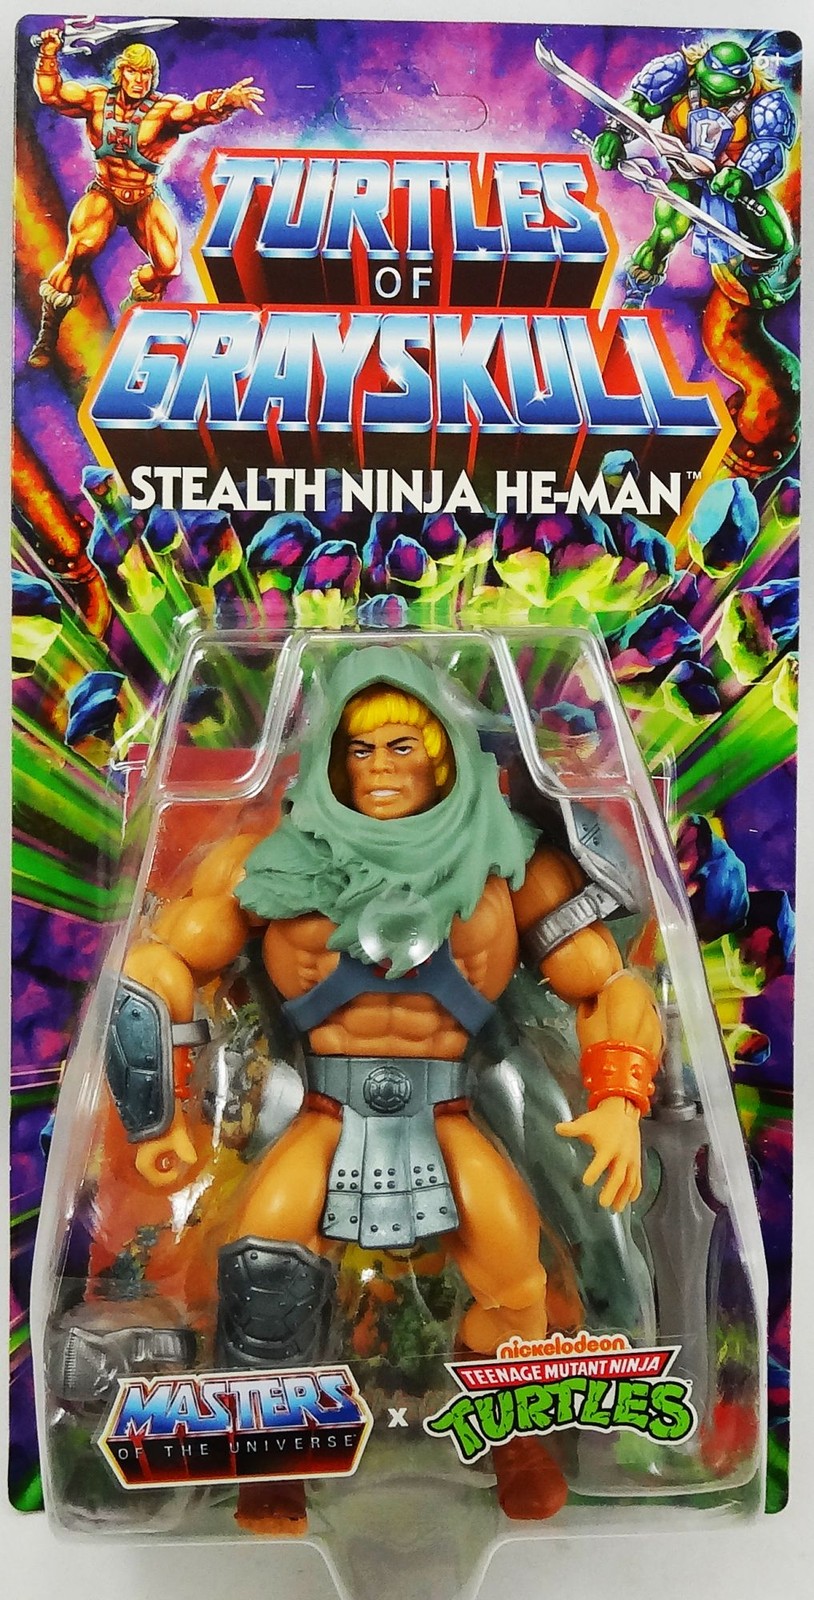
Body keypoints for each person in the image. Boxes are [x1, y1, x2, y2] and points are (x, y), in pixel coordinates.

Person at [113, 645, 663, 1530]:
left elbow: (607, 986)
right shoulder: (267, 865)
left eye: (401, 747)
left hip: (447, 1106)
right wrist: (156, 1119)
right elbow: (158, 968)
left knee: (519, 1277)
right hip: (325, 1108)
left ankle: (513, 1435)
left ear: (443, 754)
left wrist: (618, 1102)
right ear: (331, 757)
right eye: (360, 749)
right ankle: (271, 1460)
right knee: (264, 1263)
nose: (378, 768)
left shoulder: (508, 864)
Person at [28, 30, 264, 367]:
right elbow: (52, 94)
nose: (139, 80)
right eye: (133, 72)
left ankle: (132, 310)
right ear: (120, 72)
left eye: (146, 73)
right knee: (81, 250)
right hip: (105, 193)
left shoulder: (162, 110)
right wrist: (48, 55)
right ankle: (47, 336)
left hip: (143, 198)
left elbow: (194, 111)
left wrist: (225, 101)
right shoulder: (97, 100)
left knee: (168, 266)